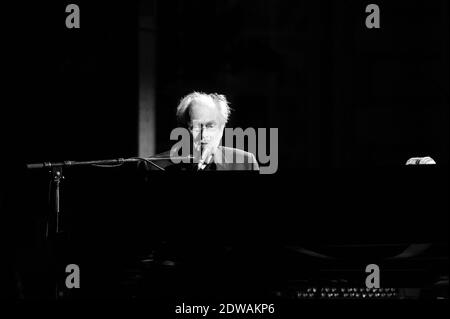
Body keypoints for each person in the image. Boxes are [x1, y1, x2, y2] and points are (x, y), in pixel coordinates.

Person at [150, 92, 259, 171]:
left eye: (210, 126)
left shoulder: (245, 163)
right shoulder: (152, 166)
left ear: (221, 128)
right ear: (184, 128)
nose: (203, 135)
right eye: (196, 127)